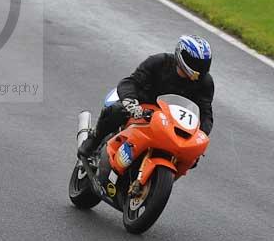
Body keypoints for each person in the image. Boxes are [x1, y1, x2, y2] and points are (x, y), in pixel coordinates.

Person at [78, 35, 214, 160]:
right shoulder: (159, 62)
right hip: (142, 108)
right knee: (116, 111)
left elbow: (205, 112)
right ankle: (94, 141)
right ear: (182, 55)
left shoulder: (205, 82)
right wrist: (131, 103)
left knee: (190, 157)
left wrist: (201, 135)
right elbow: (130, 82)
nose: (199, 68)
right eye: (195, 63)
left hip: (172, 122)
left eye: (203, 64)